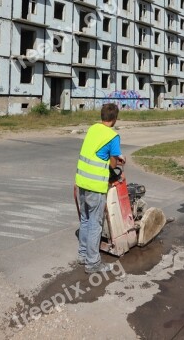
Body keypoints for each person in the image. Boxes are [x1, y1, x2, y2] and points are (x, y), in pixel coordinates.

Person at [75, 103, 125, 274]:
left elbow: (95, 152)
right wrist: (117, 160)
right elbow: (112, 162)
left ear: (102, 116)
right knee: (96, 224)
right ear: (115, 119)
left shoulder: (93, 129)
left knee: (85, 220)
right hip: (96, 186)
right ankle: (92, 263)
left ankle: (82, 255)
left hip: (81, 181)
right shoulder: (113, 136)